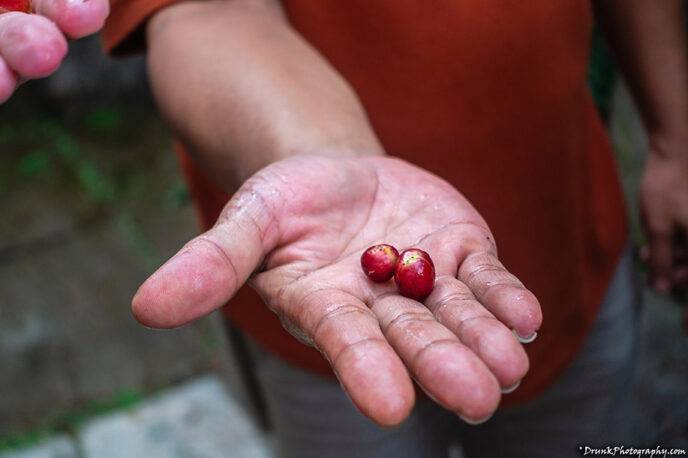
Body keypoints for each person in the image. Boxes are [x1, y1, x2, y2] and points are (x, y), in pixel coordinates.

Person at [2, 1, 686, 456]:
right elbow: (205, 9)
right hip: (316, 306)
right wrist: (328, 154)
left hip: (568, 239)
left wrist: (674, 133)